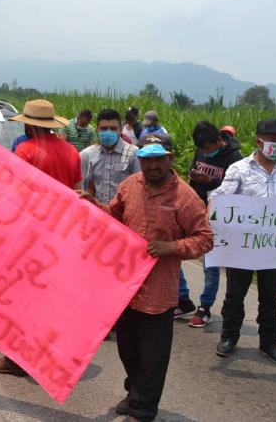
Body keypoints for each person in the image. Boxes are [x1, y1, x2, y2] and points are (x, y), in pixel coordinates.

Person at [82, 135, 212, 422]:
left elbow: (205, 239)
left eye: (158, 158)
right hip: (125, 286)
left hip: (158, 290)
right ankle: (134, 392)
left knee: (152, 355)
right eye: (147, 159)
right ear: (139, 160)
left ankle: (143, 409)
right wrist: (93, 205)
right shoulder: (130, 186)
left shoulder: (185, 197)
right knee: (128, 348)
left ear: (170, 159)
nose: (152, 165)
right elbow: (114, 217)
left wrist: (173, 247)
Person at [0, 99, 82, 375]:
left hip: (30, 237)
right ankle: (46, 354)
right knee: (49, 299)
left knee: (21, 299)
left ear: (29, 124)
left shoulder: (25, 151)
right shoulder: (72, 152)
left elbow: (13, 197)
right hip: (60, 236)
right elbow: (77, 193)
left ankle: (16, 359)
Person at [210, 119, 276, 366]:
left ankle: (269, 343)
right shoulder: (239, 169)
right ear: (258, 141)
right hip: (242, 246)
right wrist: (211, 212)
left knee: (270, 296)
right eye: (272, 140)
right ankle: (229, 337)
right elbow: (220, 197)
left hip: (274, 248)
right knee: (235, 294)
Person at [177, 121, 243, 328]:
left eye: (208, 148)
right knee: (175, 253)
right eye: (202, 149)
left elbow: (235, 191)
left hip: (218, 214)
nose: (205, 152)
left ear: (218, 141)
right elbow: (193, 171)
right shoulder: (201, 150)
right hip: (195, 209)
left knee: (210, 263)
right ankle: (182, 299)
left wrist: (210, 182)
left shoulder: (235, 159)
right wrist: (195, 179)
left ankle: (205, 307)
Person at [80, 108, 140, 203]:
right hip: (100, 213)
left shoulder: (133, 153)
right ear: (97, 130)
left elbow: (138, 188)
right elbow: (90, 189)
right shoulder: (89, 154)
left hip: (123, 214)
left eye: (113, 129)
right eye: (103, 129)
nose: (108, 132)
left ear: (120, 130)